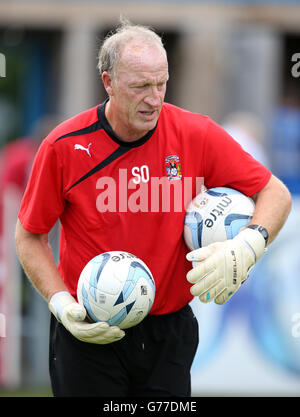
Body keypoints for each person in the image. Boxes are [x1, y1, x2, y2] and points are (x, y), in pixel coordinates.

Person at [15, 20, 292, 397]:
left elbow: (274, 193)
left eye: (161, 83)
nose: (154, 97)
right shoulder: (63, 146)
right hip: (89, 331)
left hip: (169, 333)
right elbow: (30, 234)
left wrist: (248, 245)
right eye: (141, 86)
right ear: (108, 82)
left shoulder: (196, 133)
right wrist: (61, 303)